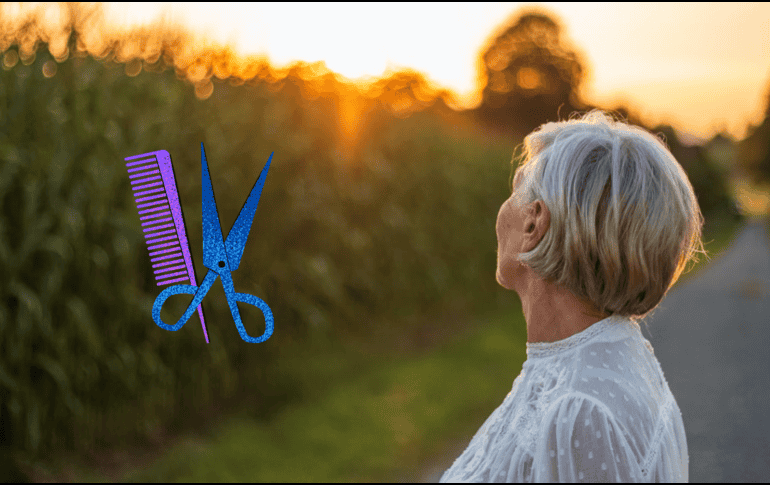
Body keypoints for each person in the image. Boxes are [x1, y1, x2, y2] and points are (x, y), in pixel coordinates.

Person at [440, 109, 703, 483]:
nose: (502, 210)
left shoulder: (579, 411)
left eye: (514, 190)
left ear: (534, 223)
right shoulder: (613, 354)